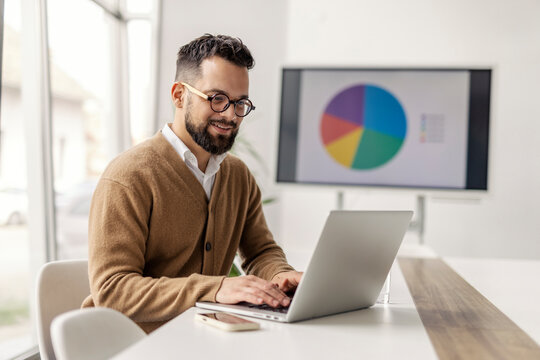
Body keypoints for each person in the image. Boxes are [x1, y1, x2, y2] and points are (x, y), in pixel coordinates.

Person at [82, 34, 302, 333]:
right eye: (216, 98)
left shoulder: (237, 176)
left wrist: (281, 276)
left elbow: (261, 251)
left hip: (201, 338)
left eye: (240, 103)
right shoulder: (128, 176)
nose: (229, 114)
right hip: (130, 345)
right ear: (178, 95)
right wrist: (216, 288)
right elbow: (112, 291)